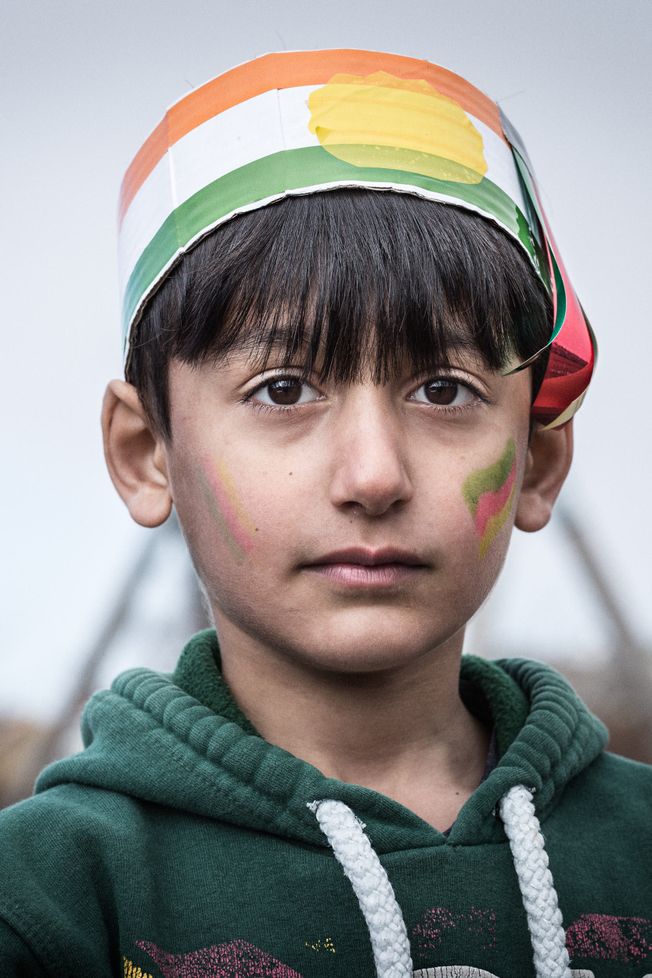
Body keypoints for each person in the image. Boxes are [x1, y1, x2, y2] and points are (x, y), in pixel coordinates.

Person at [0, 49, 649, 978]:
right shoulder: (50, 898)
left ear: (539, 458)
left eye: (442, 388)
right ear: (148, 455)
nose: (374, 476)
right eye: (284, 388)